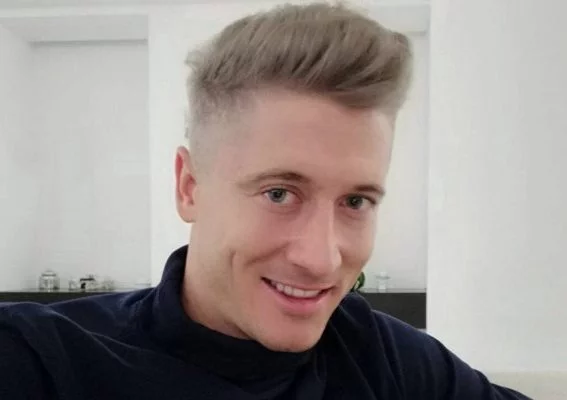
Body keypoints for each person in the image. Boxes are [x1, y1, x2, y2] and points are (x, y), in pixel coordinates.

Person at [0, 3, 531, 399]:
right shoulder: (41, 361)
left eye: (356, 201)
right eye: (279, 193)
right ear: (190, 186)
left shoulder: (387, 360)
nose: (322, 259)